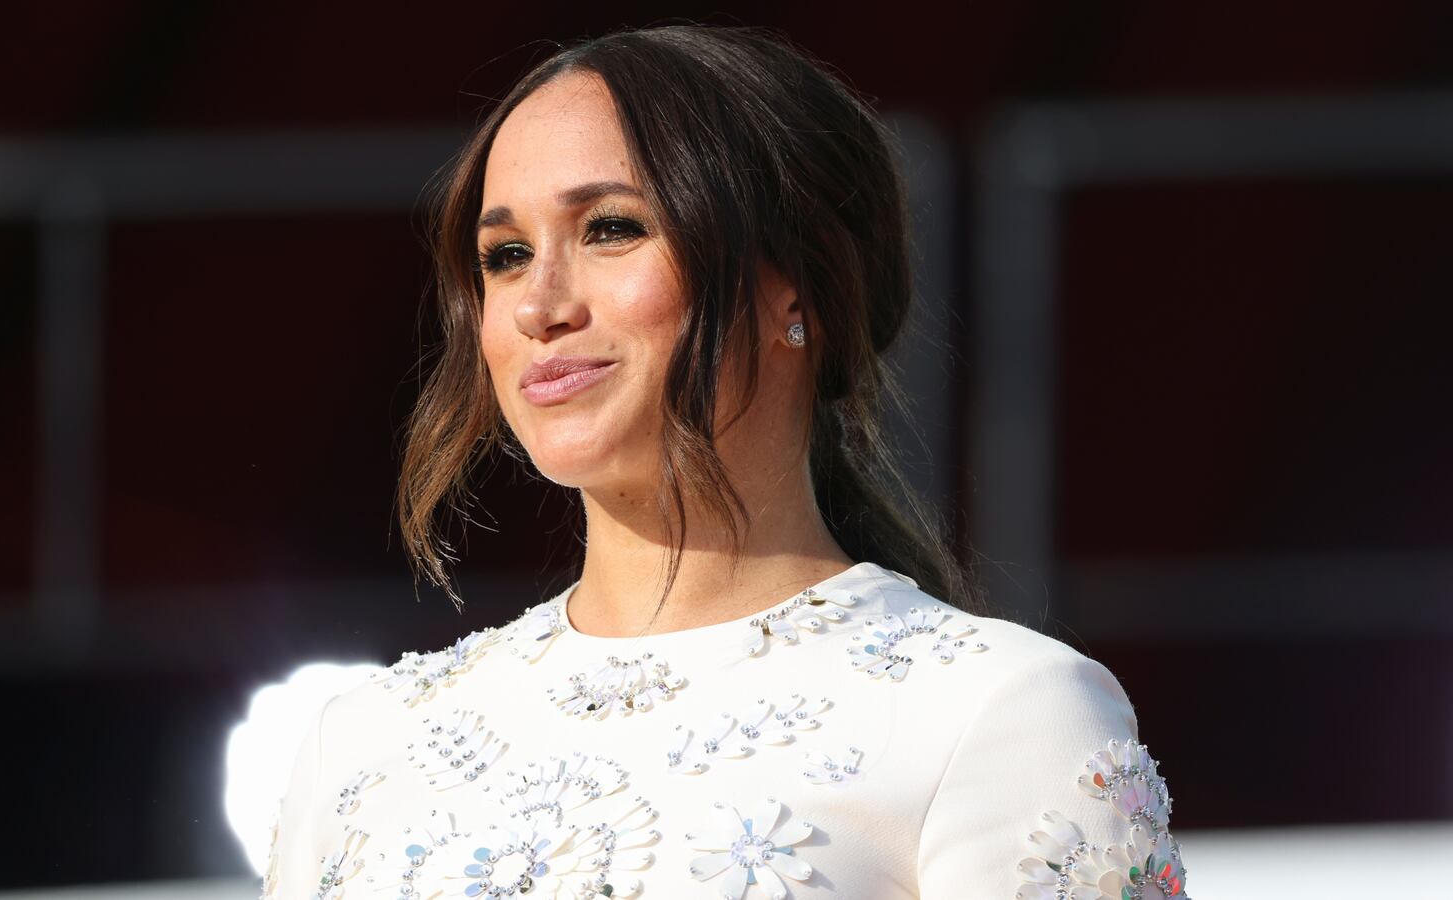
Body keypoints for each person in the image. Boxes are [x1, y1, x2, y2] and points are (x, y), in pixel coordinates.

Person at [256, 24, 1188, 900]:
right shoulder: (367, 741)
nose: (539, 304)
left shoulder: (998, 716)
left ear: (801, 287)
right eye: (503, 254)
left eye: (611, 229)